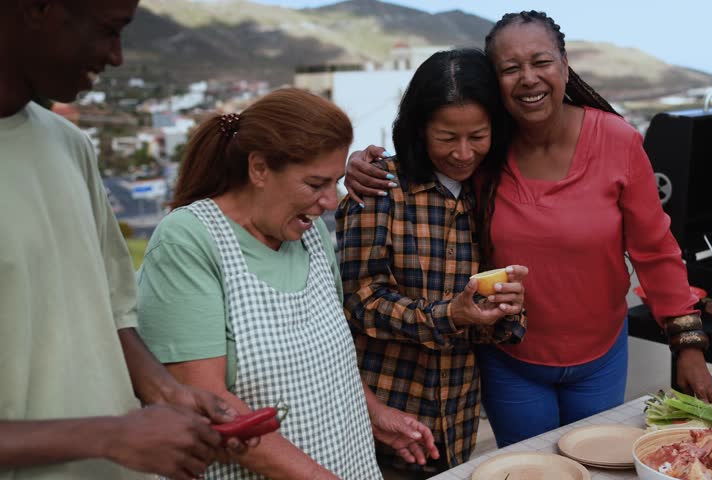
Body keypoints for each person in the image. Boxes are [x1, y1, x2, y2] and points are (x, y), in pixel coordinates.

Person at [344, 10, 712, 448]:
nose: (528, 78)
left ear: (564, 63)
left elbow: (655, 250)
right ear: (494, 81)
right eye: (509, 68)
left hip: (601, 357)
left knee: (596, 470)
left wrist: (688, 345)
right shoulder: (486, 152)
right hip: (509, 360)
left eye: (541, 62)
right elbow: (432, 153)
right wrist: (361, 168)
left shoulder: (617, 140)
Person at [0, 1, 257, 479]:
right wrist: (109, 435)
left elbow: (114, 312)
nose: (116, 56)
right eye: (108, 30)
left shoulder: (68, 144)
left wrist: (167, 392)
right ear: (37, 9)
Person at [136, 88, 438, 479]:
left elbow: (331, 363)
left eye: (337, 182)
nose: (332, 201)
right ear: (259, 169)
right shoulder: (189, 241)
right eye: (315, 185)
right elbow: (206, 400)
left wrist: (376, 414)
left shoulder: (308, 235)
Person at [335, 49, 528, 478]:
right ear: (419, 130)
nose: (463, 153)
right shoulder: (379, 188)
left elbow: (499, 318)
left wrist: (505, 311)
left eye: (478, 135)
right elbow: (360, 302)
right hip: (383, 420)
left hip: (456, 422)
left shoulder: (495, 192)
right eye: (446, 137)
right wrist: (450, 315)